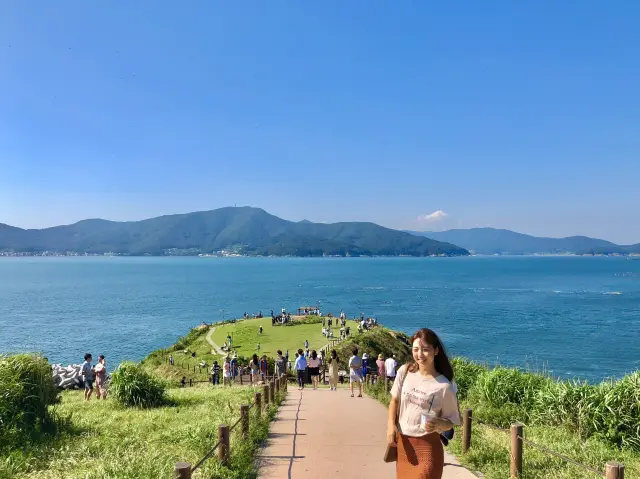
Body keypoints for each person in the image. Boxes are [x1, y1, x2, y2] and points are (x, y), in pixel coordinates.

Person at [387, 328, 461, 479]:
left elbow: (452, 421)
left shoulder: (444, 386)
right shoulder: (405, 371)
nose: (420, 354)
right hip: (404, 445)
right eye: (416, 349)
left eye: (425, 349)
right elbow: (394, 400)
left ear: (436, 351)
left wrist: (439, 422)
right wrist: (390, 427)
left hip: (428, 447)